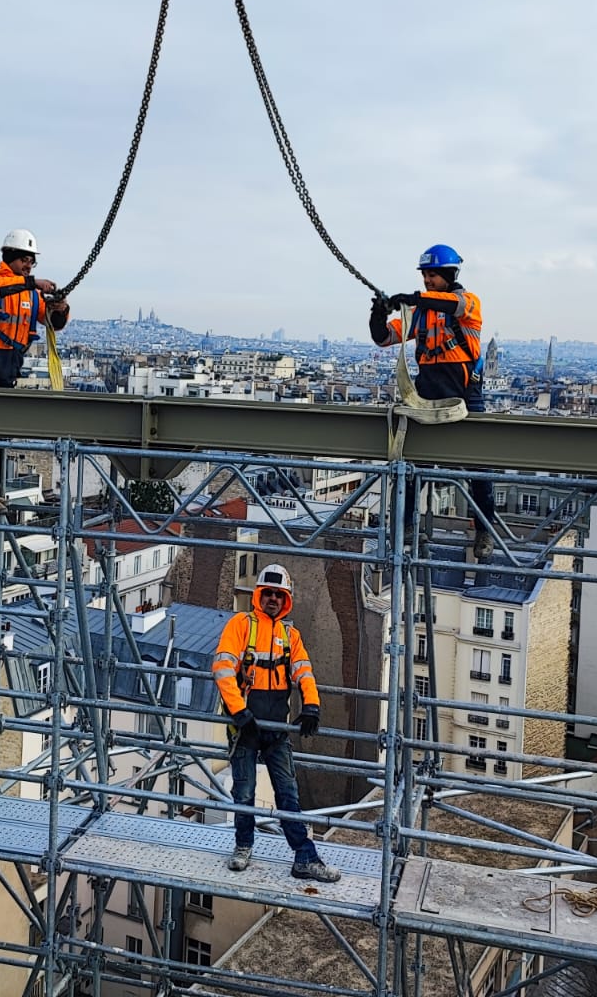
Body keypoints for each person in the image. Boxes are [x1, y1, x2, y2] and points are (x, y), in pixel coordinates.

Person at [211, 564, 341, 882]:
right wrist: (240, 713)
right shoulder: (241, 625)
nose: (272, 599)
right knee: (244, 794)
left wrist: (312, 705)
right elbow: (223, 668)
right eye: (267, 593)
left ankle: (304, 858)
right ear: (259, 596)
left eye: (278, 595)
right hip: (245, 728)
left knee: (288, 795)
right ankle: (243, 847)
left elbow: (304, 672)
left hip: (277, 730)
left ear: (285, 600)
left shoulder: (289, 635)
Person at [368, 243, 498, 559]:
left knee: (479, 470)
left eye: (432, 275)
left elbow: (452, 305)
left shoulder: (468, 303)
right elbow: (384, 338)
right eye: (425, 275)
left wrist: (413, 299)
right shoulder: (421, 314)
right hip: (428, 395)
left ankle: (484, 531)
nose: (427, 280)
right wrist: (379, 313)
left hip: (465, 394)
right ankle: (408, 526)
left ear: (448, 275)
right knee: (414, 467)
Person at [0, 229, 70, 514]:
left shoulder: (31, 295)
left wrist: (60, 307)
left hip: (7, 366)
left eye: (32, 262)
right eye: (25, 260)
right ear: (11, 257)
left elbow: (52, 323)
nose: (29, 265)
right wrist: (32, 283)